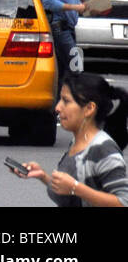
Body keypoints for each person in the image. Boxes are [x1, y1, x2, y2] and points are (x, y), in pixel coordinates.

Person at [17, 73, 128, 207]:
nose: (58, 107)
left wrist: (75, 187)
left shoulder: (102, 148)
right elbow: (71, 198)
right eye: (60, 100)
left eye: (66, 101)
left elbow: (123, 202)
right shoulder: (77, 142)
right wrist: (43, 176)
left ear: (89, 108)